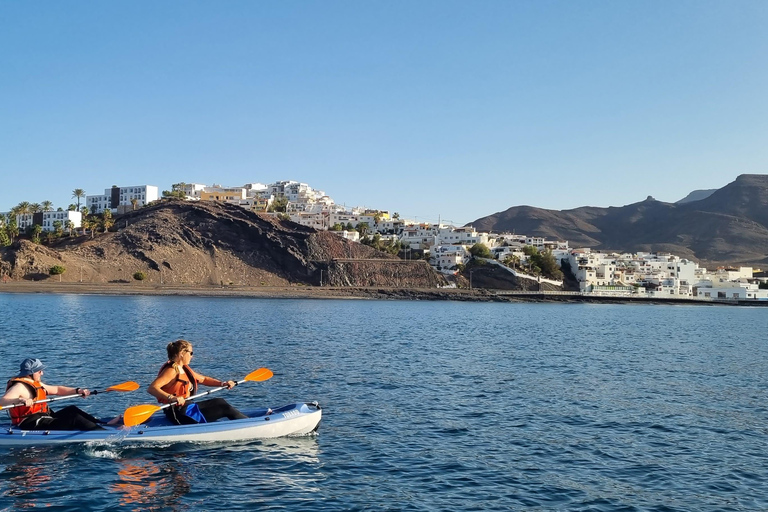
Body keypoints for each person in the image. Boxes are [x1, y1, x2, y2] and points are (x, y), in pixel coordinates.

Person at [147, 339, 248, 425]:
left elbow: (203, 379)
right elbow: (152, 388)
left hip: (188, 407)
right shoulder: (171, 370)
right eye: (191, 353)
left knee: (219, 401)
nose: (192, 356)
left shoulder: (184, 368)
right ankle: (248, 425)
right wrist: (172, 397)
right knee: (223, 408)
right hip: (178, 413)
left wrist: (222, 383)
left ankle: (245, 422)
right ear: (182, 353)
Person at [0, 358, 105, 431]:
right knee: (74, 417)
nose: (42, 373)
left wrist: (77, 391)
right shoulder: (19, 387)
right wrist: (19, 401)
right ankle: (103, 434)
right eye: (39, 371)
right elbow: (3, 401)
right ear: (29, 373)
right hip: (31, 424)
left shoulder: (36, 384)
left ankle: (101, 424)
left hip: (44, 418)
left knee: (71, 409)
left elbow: (58, 390)